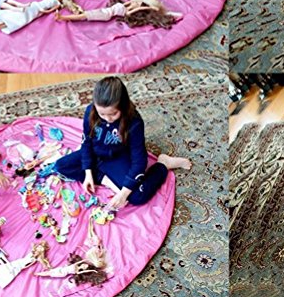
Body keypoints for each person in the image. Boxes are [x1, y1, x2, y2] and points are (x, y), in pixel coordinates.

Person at [54, 77, 192, 209]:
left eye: (113, 114)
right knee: (60, 166)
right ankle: (103, 178)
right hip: (96, 154)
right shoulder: (91, 111)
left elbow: (139, 161)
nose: (107, 119)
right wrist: (88, 172)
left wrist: (123, 194)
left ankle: (163, 164)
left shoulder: (134, 122)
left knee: (137, 196)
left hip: (118, 157)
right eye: (102, 114)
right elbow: (86, 142)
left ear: (123, 106)